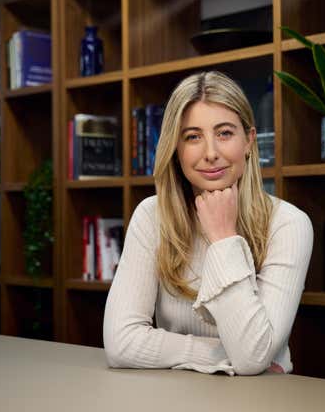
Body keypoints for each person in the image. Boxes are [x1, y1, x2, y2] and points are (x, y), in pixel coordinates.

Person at [103, 71, 313, 376]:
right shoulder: (152, 216)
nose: (211, 153)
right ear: (176, 149)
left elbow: (252, 360)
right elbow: (121, 343)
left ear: (249, 141)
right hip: (173, 395)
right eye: (193, 137)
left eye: (225, 133)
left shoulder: (288, 224)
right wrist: (226, 355)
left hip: (259, 400)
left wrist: (223, 238)